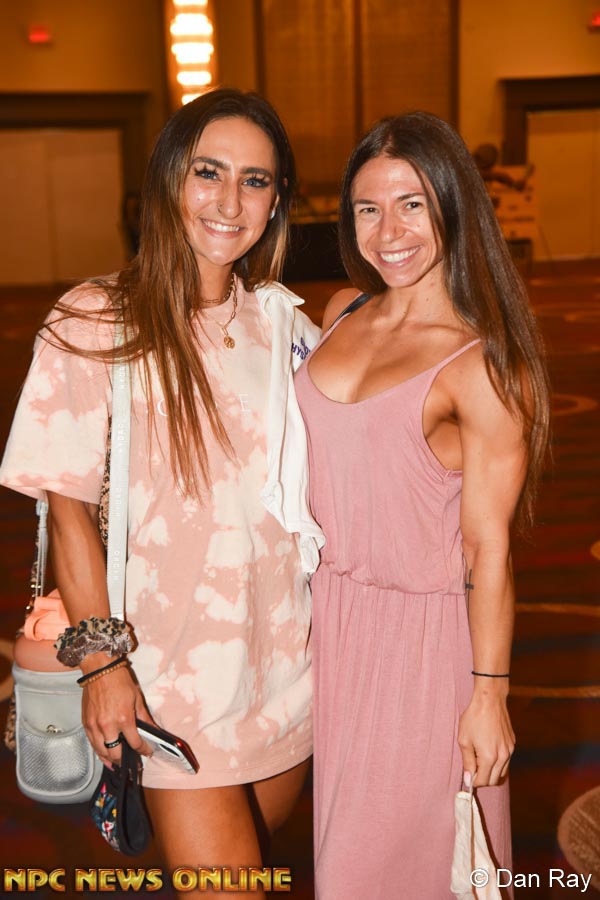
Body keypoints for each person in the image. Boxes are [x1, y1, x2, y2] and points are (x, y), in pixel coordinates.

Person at [0, 88, 323, 889]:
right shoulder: (92, 321)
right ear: (170, 177)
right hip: (162, 682)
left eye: (255, 180)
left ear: (277, 201)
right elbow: (68, 509)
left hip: (287, 674)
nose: (229, 201)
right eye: (209, 172)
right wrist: (102, 666)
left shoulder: (285, 327)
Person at [294, 112, 550, 898]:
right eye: (368, 209)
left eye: (412, 204)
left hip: (423, 647)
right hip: (334, 624)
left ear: (453, 203)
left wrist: (489, 695)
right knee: (342, 855)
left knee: (386, 871)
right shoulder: (341, 311)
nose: (389, 232)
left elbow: (489, 549)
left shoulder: (482, 364)